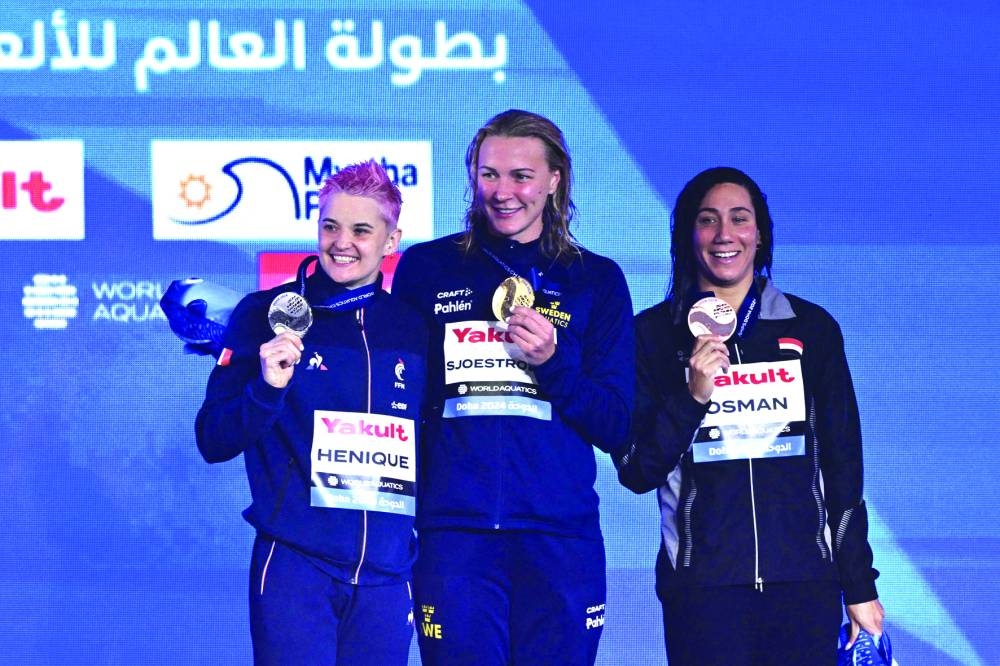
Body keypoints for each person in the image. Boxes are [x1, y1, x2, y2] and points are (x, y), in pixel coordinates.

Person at [392, 109, 634, 665]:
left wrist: (553, 362)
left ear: (554, 181)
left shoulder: (595, 279)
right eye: (489, 174)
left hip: (559, 539)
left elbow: (616, 423)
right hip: (455, 536)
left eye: (521, 176)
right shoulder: (427, 269)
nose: (503, 192)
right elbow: (398, 399)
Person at [616, 166, 884, 665]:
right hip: (703, 589)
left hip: (804, 583)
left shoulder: (812, 330)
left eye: (740, 219)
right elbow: (636, 469)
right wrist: (692, 397)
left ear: (759, 233)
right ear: (687, 235)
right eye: (707, 220)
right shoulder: (650, 337)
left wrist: (858, 585)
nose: (725, 235)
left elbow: (844, 472)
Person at [194, 160, 428, 665]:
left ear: (391, 240)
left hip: (386, 578)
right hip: (295, 567)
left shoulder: (413, 329)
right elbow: (213, 438)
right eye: (330, 226)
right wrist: (266, 387)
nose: (342, 242)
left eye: (361, 229)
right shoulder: (265, 313)